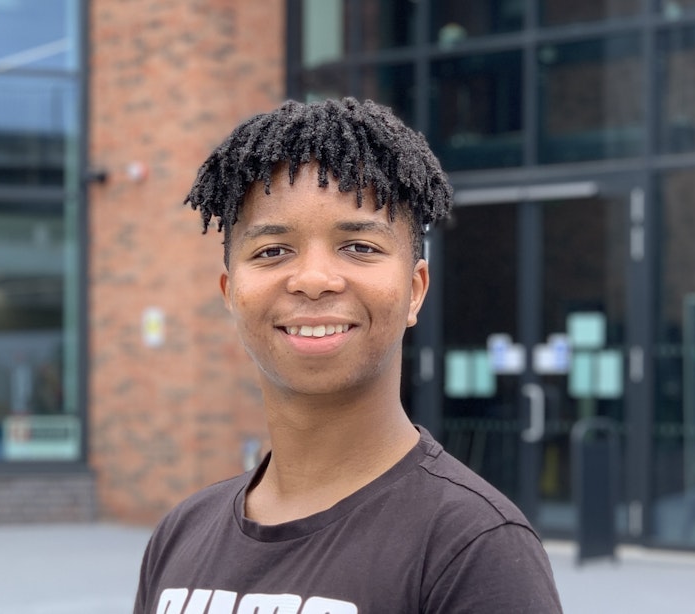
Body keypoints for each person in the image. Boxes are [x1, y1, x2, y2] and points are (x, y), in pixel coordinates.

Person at [133, 98, 563, 613]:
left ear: (415, 291)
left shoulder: (473, 547)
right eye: (272, 251)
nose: (314, 280)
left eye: (359, 246)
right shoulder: (180, 535)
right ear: (231, 293)